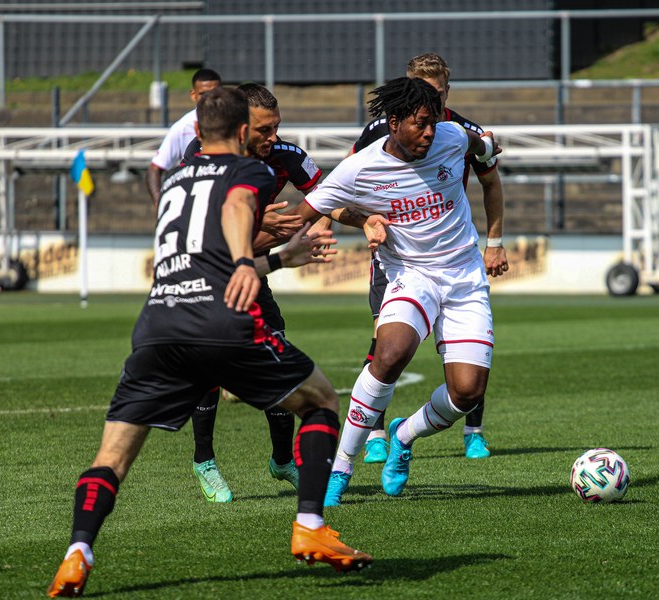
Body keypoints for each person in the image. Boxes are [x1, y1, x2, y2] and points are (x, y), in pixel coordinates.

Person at [47, 87, 370, 598]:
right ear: (242, 131)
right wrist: (247, 260)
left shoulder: (174, 179)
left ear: (197, 132)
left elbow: (198, 256)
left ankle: (77, 553)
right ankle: (310, 524)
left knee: (111, 457)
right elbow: (238, 206)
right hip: (220, 321)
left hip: (158, 326)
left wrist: (279, 258)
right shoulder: (251, 171)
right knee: (322, 401)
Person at [286, 77, 508, 507]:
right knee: (389, 355)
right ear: (394, 123)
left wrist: (486, 147)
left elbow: (482, 151)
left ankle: (404, 434)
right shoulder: (360, 167)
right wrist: (249, 248)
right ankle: (341, 467)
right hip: (411, 273)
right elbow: (309, 211)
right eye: (420, 124)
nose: (429, 132)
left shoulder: (451, 136)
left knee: (467, 393)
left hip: (464, 275)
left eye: (433, 122)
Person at [350, 53, 504, 464]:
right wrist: (366, 221)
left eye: (439, 92)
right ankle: (376, 434)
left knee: (468, 353)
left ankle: (473, 431)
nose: (434, 101)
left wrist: (494, 241)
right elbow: (349, 181)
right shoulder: (379, 130)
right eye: (425, 92)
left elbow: (491, 180)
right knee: (386, 345)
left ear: (447, 91)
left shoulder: (460, 131)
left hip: (450, 253)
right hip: (399, 257)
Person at [183, 82, 324, 503]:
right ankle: (204, 460)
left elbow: (328, 196)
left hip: (250, 270)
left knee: (276, 357)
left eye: (277, 126)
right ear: (241, 126)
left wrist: (347, 219)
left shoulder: (285, 156)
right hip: (204, 273)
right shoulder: (204, 154)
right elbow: (197, 221)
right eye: (265, 129)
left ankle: (282, 460)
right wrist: (262, 226)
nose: (273, 137)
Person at [145, 68, 222, 209]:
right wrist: (160, 206)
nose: (210, 99)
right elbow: (154, 169)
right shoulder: (183, 127)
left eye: (215, 93)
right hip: (193, 204)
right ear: (193, 95)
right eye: (204, 94)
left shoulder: (233, 121)